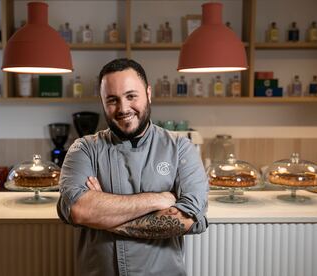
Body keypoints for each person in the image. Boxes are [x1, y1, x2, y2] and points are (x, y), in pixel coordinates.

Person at [57, 58, 208, 276]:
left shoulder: (180, 148)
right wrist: (157, 199)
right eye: (112, 100)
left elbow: (185, 219)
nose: (123, 108)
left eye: (131, 96)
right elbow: (79, 210)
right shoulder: (84, 149)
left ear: (148, 93)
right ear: (102, 101)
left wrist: (102, 217)